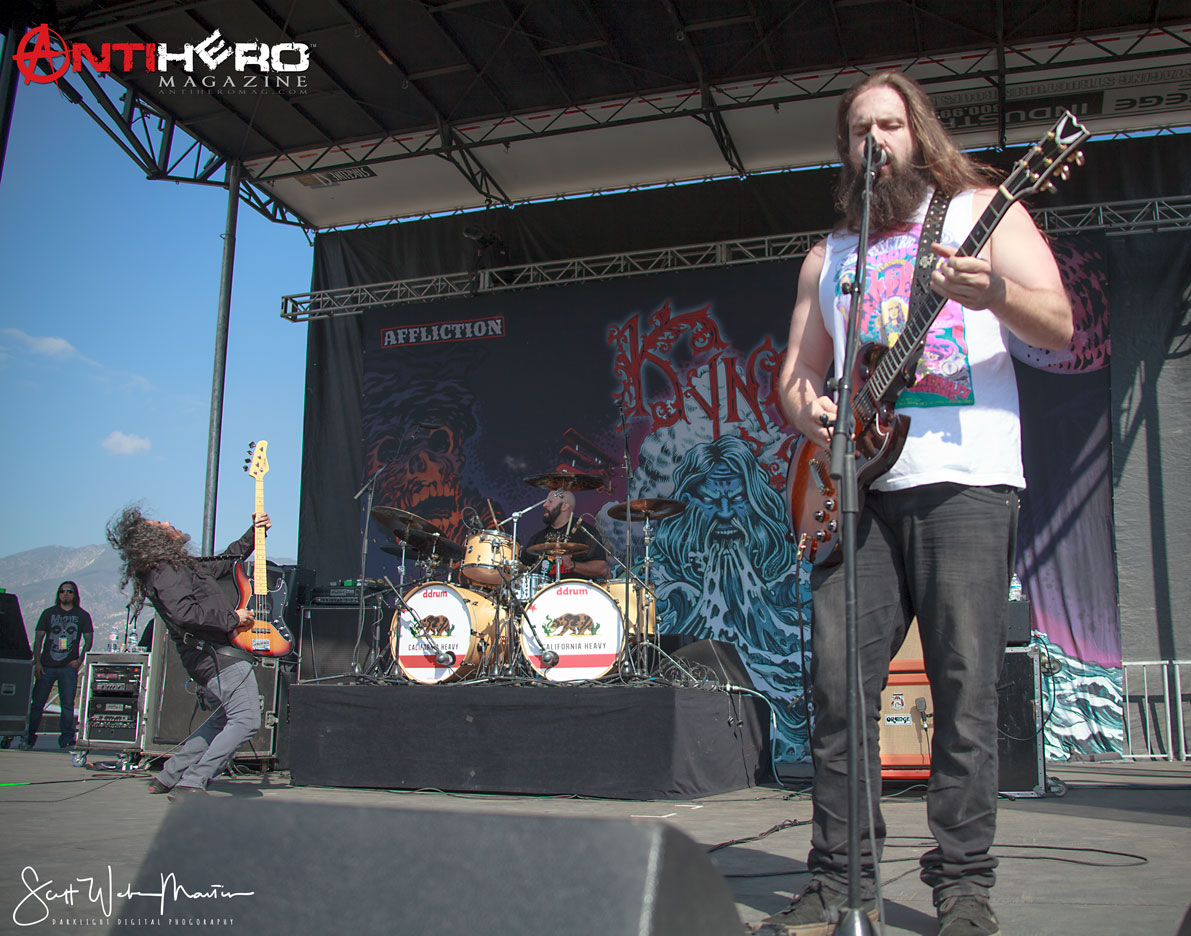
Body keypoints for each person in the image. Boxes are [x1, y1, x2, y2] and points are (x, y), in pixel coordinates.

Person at [766, 71, 1073, 936]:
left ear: (918, 133)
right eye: (859, 128)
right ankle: (840, 882)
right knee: (837, 690)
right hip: (854, 490)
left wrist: (994, 294)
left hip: (964, 481)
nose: (875, 140)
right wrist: (807, 409)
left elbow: (1058, 324)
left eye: (890, 125)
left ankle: (963, 886)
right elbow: (797, 372)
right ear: (844, 147)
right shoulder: (828, 255)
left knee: (963, 688)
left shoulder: (983, 212)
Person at [106, 506, 271, 800]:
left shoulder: (179, 566)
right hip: (216, 657)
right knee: (246, 720)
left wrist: (255, 533)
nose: (169, 522)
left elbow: (227, 561)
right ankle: (193, 781)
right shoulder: (165, 571)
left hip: (210, 657)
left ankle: (169, 775)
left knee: (222, 719)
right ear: (154, 539)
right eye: (161, 524)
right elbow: (184, 613)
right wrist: (233, 619)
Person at [26, 581, 93, 749]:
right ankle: (28, 735)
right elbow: (38, 639)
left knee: (68, 704)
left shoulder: (82, 615)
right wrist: (37, 662)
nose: (65, 594)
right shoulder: (48, 613)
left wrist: (79, 661)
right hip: (46, 666)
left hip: (68, 667)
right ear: (58, 594)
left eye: (69, 591)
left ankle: (66, 738)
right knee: (37, 703)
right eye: (62, 591)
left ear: (75, 594)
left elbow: (88, 640)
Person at [522, 488, 608, 580]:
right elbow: (524, 566)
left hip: (576, 588)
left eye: (550, 502)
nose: (544, 505)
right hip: (547, 588)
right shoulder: (538, 537)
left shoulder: (585, 532)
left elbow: (602, 569)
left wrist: (572, 565)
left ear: (564, 506)